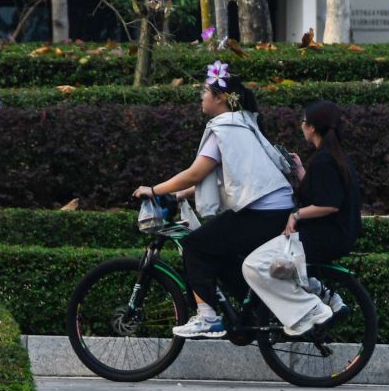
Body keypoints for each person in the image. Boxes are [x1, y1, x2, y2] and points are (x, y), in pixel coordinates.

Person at [132, 71, 296, 339]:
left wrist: (153, 190)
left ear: (220, 98)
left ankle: (207, 317)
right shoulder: (242, 124)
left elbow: (196, 173)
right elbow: (223, 177)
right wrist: (179, 195)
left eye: (205, 91)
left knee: (195, 246)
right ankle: (252, 313)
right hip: (274, 208)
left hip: (261, 211)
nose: (201, 96)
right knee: (219, 252)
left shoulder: (224, 129)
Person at [243, 98, 362, 336]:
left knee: (253, 266)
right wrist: (299, 170)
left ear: (312, 127)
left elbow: (329, 204)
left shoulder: (325, 159)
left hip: (324, 236)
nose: (301, 126)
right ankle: (324, 296)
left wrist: (296, 215)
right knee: (277, 263)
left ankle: (309, 310)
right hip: (336, 234)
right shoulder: (333, 156)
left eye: (304, 121)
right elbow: (323, 191)